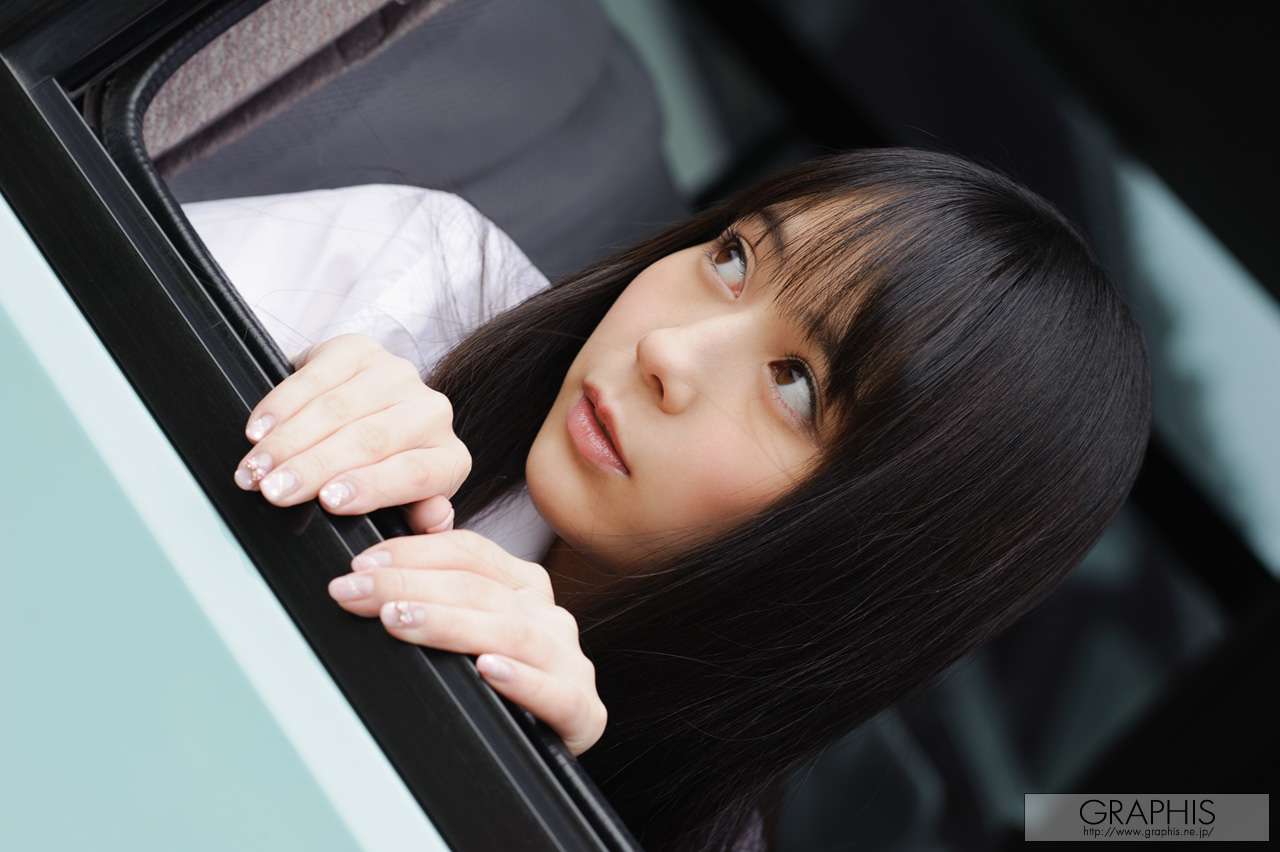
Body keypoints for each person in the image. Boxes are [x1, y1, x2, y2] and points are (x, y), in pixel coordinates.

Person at [184, 147, 1152, 852]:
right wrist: (246, 410)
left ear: (871, 552)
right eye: (732, 259)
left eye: (795, 387)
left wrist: (517, 793)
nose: (668, 350)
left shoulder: (655, 829)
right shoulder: (416, 290)